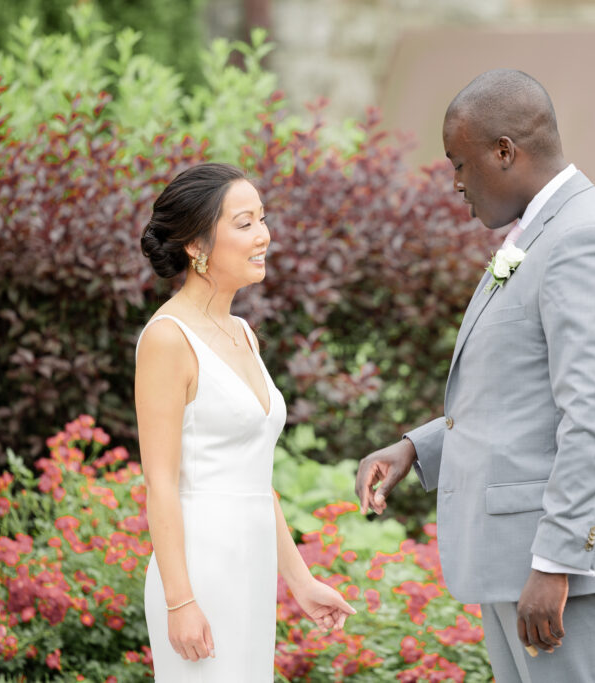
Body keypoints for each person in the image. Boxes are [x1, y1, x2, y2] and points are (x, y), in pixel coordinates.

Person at [355, 69, 595, 682]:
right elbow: (520, 395)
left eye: (459, 163)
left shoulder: (584, 240)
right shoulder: (539, 232)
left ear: (505, 151)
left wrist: (555, 561)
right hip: (520, 560)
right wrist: (414, 450)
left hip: (565, 571)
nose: (453, 183)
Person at [136, 162, 355, 681]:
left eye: (262, 219)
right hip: (200, 573)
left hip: (250, 570)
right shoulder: (168, 339)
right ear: (196, 244)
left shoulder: (243, 333)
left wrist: (301, 582)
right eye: (244, 223)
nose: (264, 236)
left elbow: (258, 481)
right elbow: (159, 483)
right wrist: (180, 600)